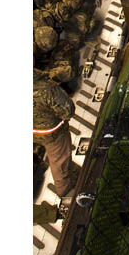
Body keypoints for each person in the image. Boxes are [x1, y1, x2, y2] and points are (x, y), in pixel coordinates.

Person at [33, 70, 79, 198]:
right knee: (59, 161)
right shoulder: (48, 89)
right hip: (51, 133)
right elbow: (67, 111)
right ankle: (64, 190)